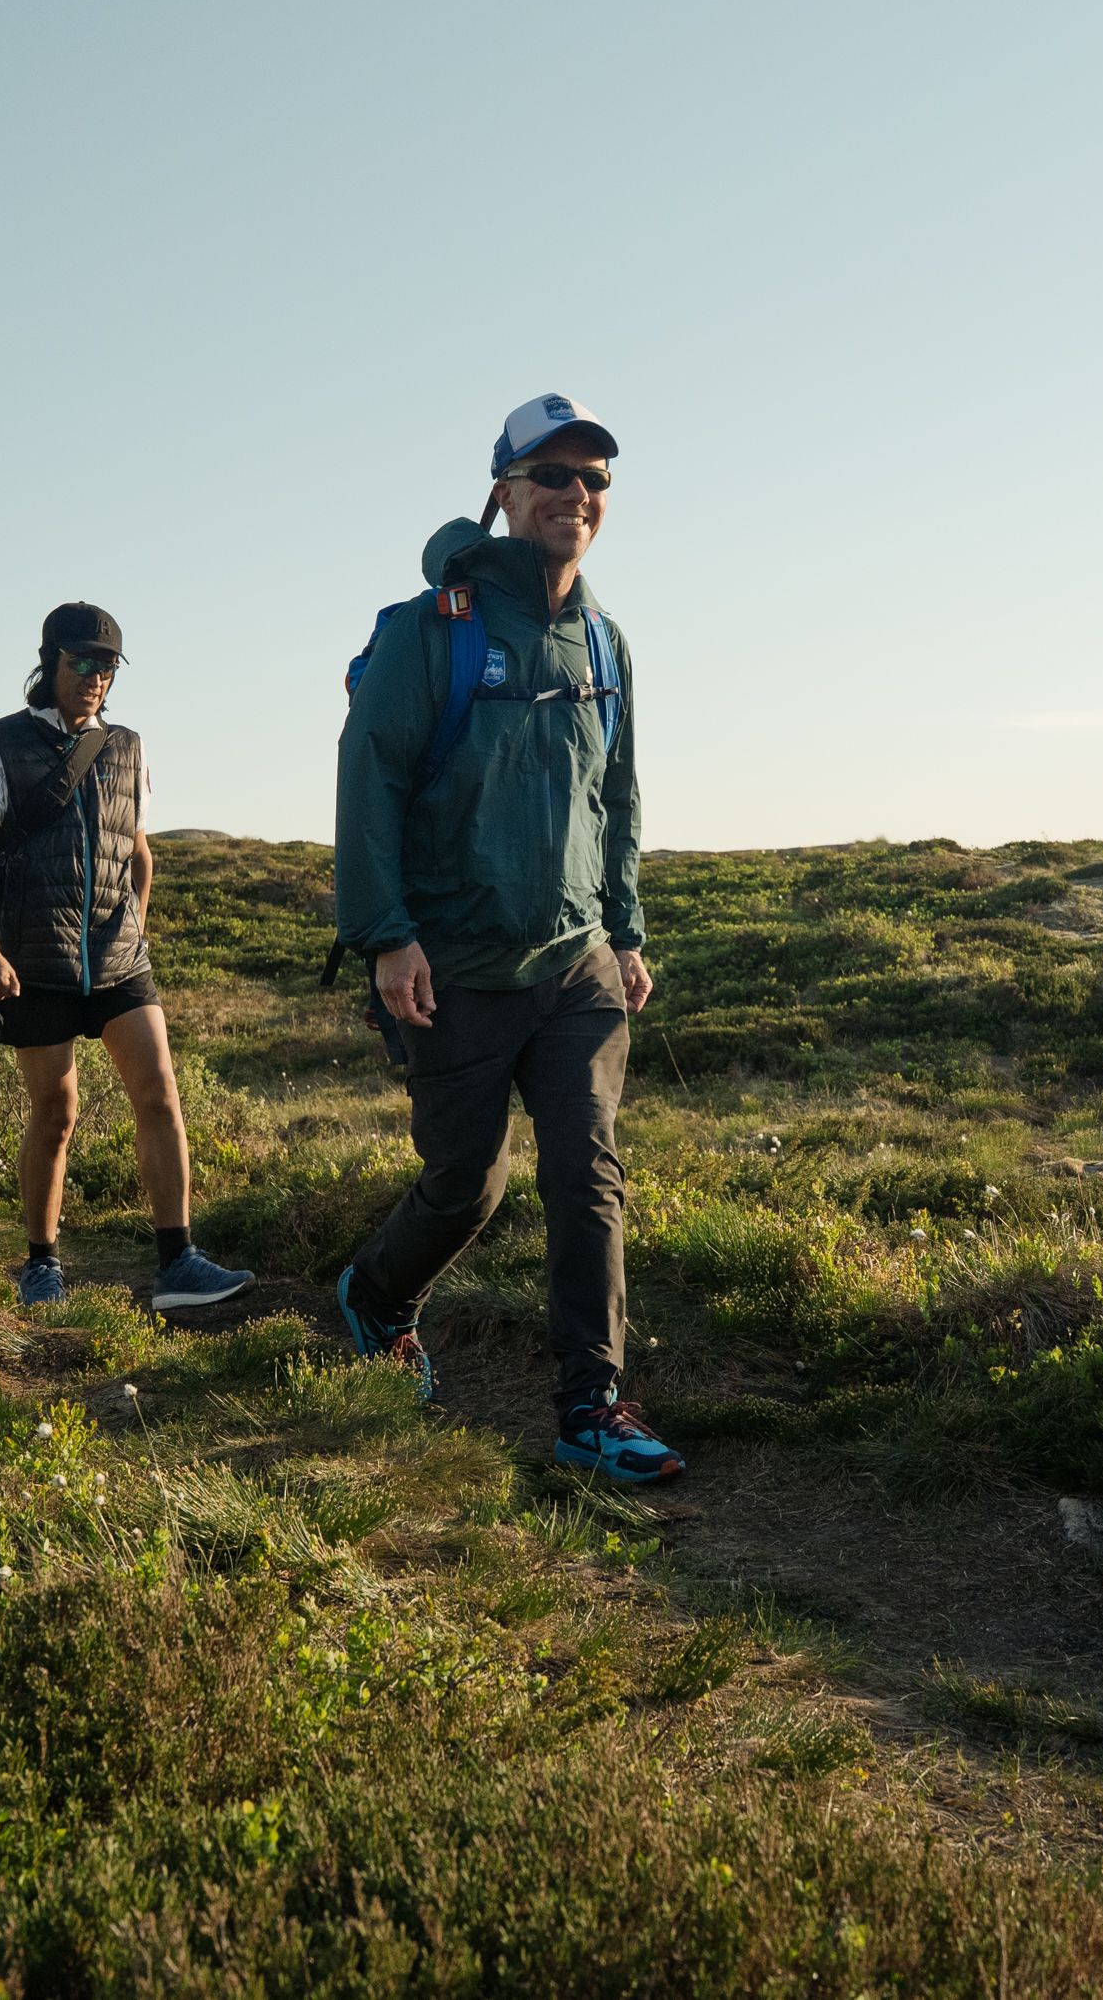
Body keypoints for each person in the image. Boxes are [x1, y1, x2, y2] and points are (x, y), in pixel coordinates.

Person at [330, 394, 675, 1483]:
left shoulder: (605, 641)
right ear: (505, 492)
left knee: (587, 1173)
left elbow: (617, 798)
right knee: (466, 1186)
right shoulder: (432, 629)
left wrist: (622, 930)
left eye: (594, 479)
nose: (577, 494)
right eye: (553, 475)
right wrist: (387, 937)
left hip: (576, 965)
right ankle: (376, 1294)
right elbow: (370, 781)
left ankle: (591, 1408)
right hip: (456, 967)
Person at [0, 602, 249, 1313]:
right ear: (50, 662)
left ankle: (178, 1262)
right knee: (56, 1111)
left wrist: (134, 926)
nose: (95, 677)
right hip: (33, 959)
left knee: (160, 1093)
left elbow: (138, 849)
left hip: (118, 957)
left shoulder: (128, 747)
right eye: (81, 662)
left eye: (107, 666)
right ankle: (41, 1265)